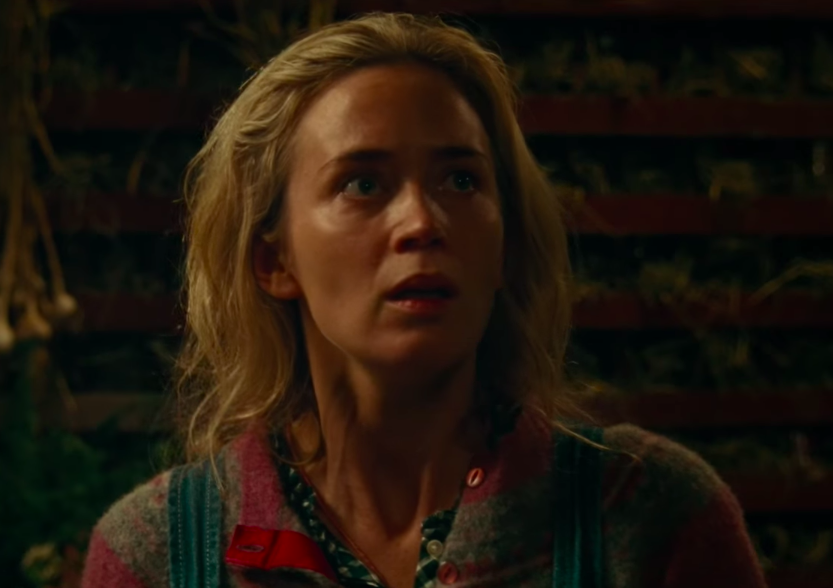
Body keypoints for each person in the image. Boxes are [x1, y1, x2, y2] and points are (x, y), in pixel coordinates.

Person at [81, 12, 767, 588]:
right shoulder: (157, 554)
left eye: (461, 180)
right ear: (274, 261)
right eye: (362, 184)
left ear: (503, 245)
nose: (421, 222)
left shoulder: (648, 517)